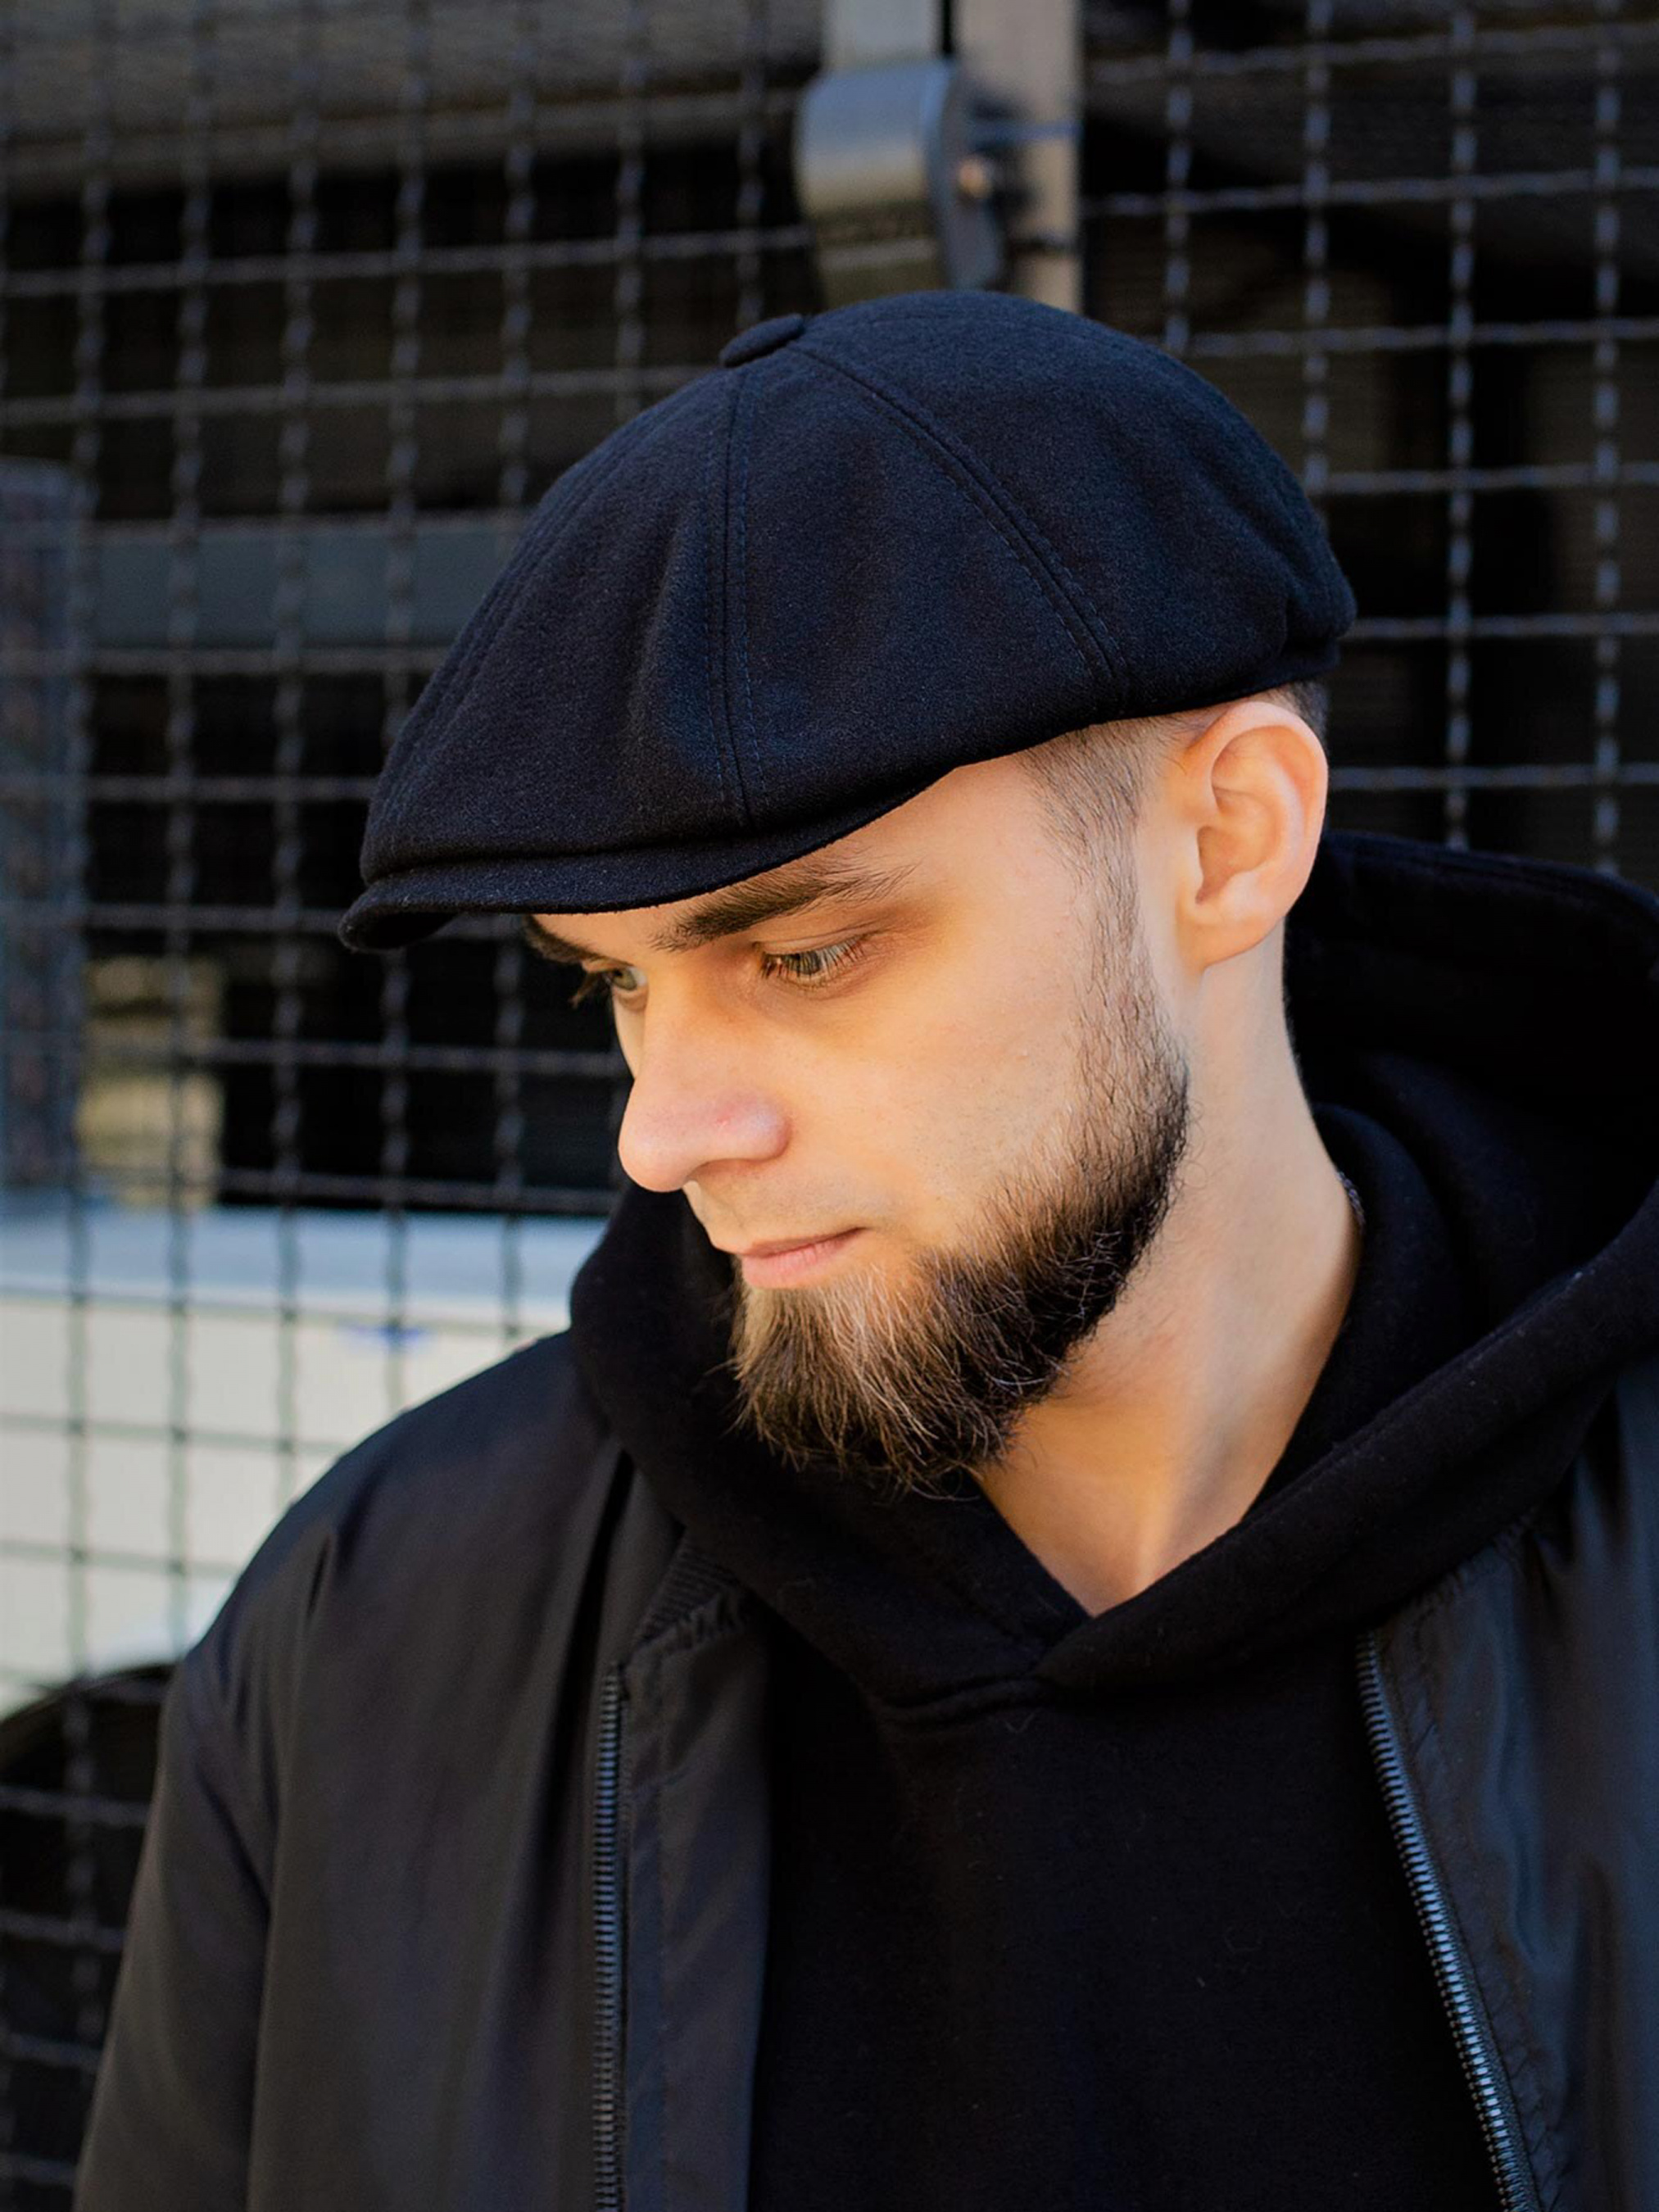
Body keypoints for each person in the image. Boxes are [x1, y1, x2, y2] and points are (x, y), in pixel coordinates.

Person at [74, 291, 1659, 2212]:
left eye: (805, 953)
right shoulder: (374, 1634)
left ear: (1228, 842)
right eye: (614, 988)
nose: (661, 1133)